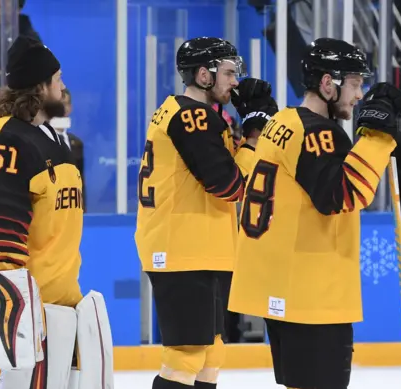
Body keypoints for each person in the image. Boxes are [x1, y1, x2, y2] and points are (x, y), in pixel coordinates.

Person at [228, 38, 401, 389]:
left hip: (281, 285)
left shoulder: (281, 121)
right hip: (311, 295)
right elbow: (344, 194)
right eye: (355, 84)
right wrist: (376, 136)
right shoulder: (319, 133)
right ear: (328, 83)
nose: (360, 95)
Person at [0, 36, 113, 389]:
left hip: (54, 304)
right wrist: (16, 314)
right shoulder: (7, 139)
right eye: (57, 78)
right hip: (15, 308)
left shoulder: (53, 139)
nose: (63, 85)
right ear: (39, 86)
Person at [135, 36, 268, 389]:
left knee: (211, 356)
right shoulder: (193, 117)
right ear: (203, 75)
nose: (235, 82)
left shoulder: (189, 113)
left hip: (200, 248)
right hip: (183, 249)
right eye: (227, 73)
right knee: (186, 357)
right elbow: (232, 185)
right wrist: (253, 136)